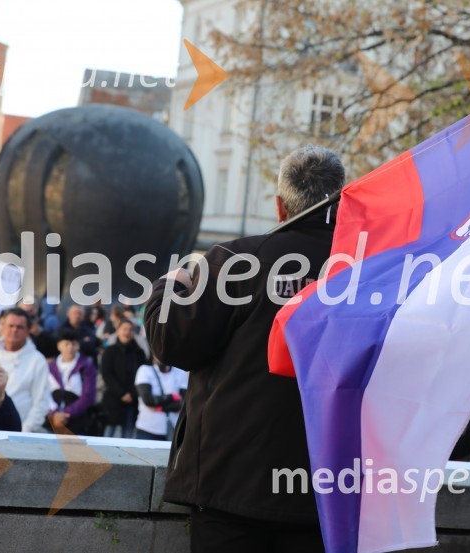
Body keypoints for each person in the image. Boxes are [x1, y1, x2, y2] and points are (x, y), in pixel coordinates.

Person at [145, 145, 346, 552]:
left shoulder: (237, 260)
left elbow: (171, 343)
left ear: (280, 206)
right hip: (322, 485)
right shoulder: (367, 271)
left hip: (229, 479)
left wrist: (167, 288)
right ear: (340, 202)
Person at [0, 308, 50, 433]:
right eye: (11, 326)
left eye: (20, 327)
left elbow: (41, 403)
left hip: (21, 432)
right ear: (2, 327)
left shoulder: (38, 360)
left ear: (28, 330)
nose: (14, 330)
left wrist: (23, 432)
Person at [101, 318, 147, 438]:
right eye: (124, 329)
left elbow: (143, 375)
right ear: (118, 331)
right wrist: (121, 393)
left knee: (128, 434)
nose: (127, 332)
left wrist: (132, 394)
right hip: (113, 399)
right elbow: (107, 374)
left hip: (132, 400)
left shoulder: (139, 353)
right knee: (108, 434)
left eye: (130, 330)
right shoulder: (110, 351)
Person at [46, 329, 98, 435]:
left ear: (78, 346)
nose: (70, 347)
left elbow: (88, 395)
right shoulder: (50, 367)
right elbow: (43, 392)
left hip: (77, 421)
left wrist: (66, 413)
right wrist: (54, 413)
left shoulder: (86, 366)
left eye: (74, 344)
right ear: (59, 346)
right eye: (66, 344)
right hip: (52, 421)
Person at [134, 358, 187, 441]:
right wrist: (172, 396)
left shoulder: (180, 372)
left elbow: (183, 404)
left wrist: (159, 408)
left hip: (172, 429)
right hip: (147, 430)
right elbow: (148, 400)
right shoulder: (145, 370)